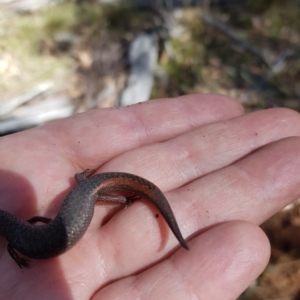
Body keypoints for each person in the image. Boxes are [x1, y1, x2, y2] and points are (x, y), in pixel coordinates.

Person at [0, 93, 299, 299]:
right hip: (80, 198)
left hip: (82, 199)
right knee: (89, 191)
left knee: (93, 193)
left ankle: (119, 196)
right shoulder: (18, 236)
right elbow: (34, 222)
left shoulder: (17, 244)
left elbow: (22, 241)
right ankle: (115, 194)